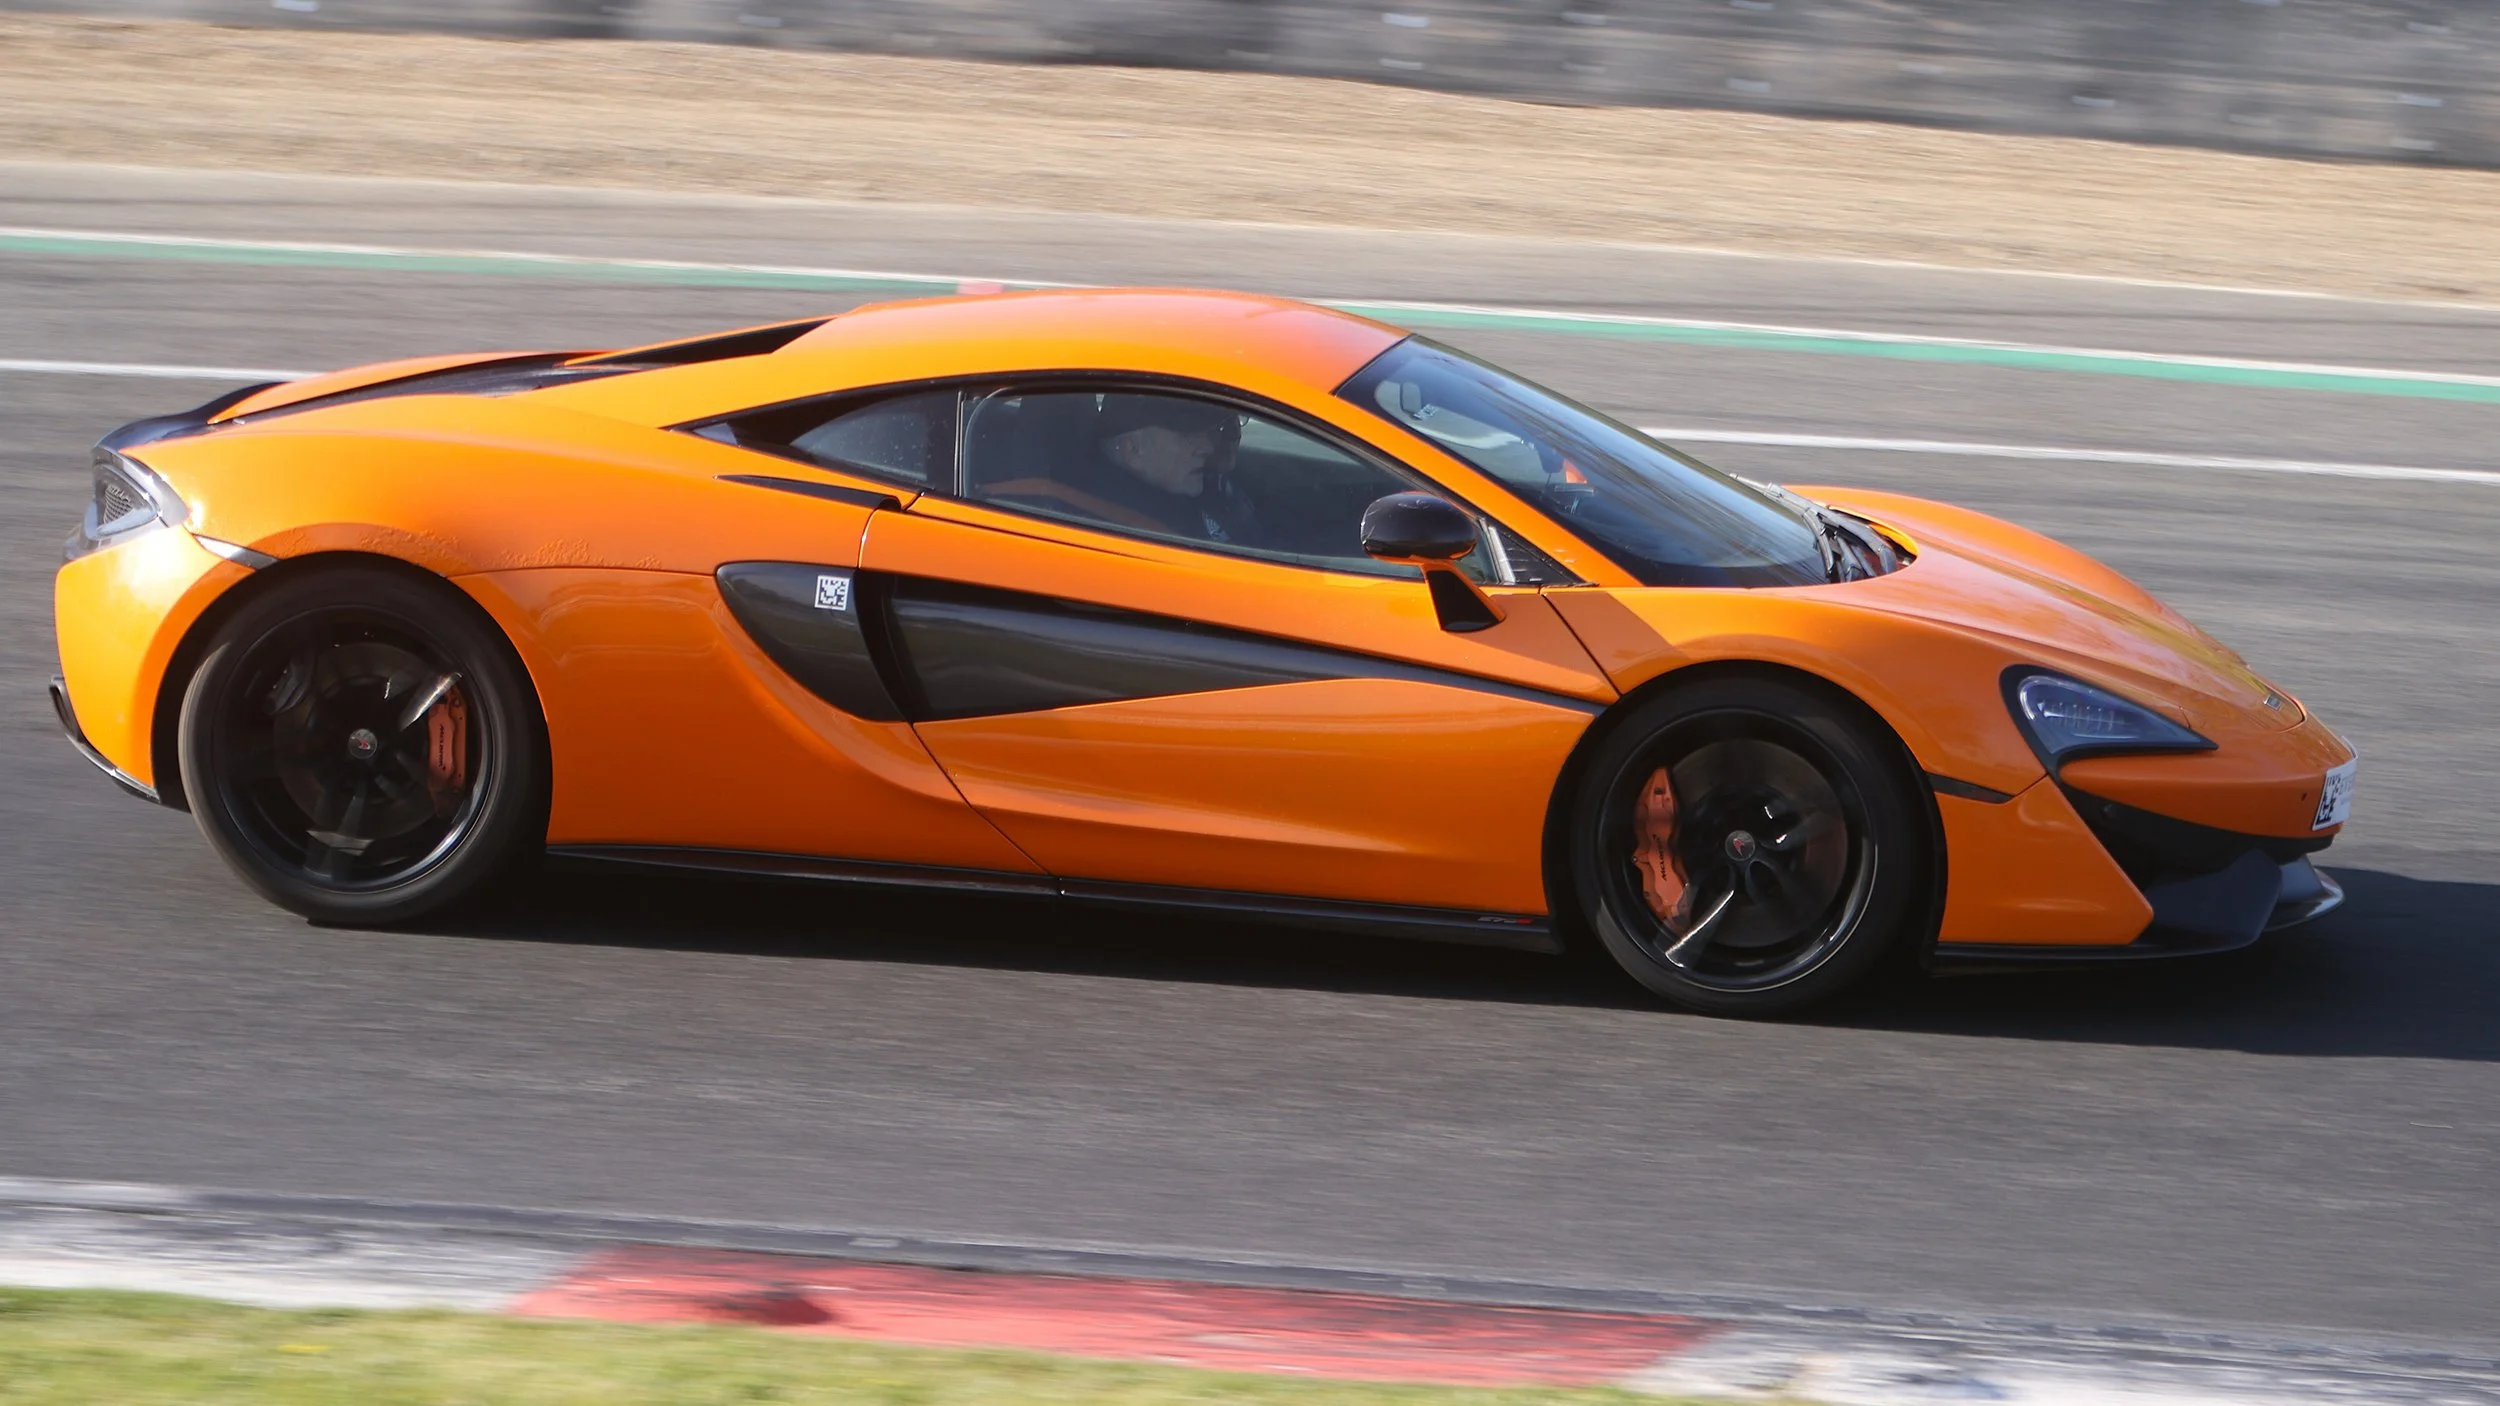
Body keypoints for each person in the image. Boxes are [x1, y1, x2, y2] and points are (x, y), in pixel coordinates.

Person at [1063, 394, 1255, 544]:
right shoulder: (1134, 533)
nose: (1208, 447)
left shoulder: (1187, 491)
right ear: (1132, 449)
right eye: (1186, 435)